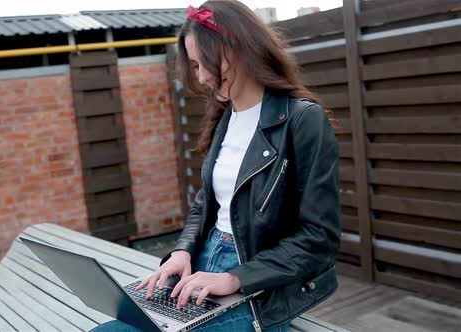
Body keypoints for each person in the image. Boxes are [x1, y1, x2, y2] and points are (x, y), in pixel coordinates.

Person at [90, 0, 341, 331]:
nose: (203, 76)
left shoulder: (303, 120)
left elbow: (319, 236)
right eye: (195, 65)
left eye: (208, 61)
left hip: (259, 286)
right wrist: (182, 252)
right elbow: (205, 205)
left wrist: (235, 278)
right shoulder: (225, 118)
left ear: (244, 48)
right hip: (201, 268)